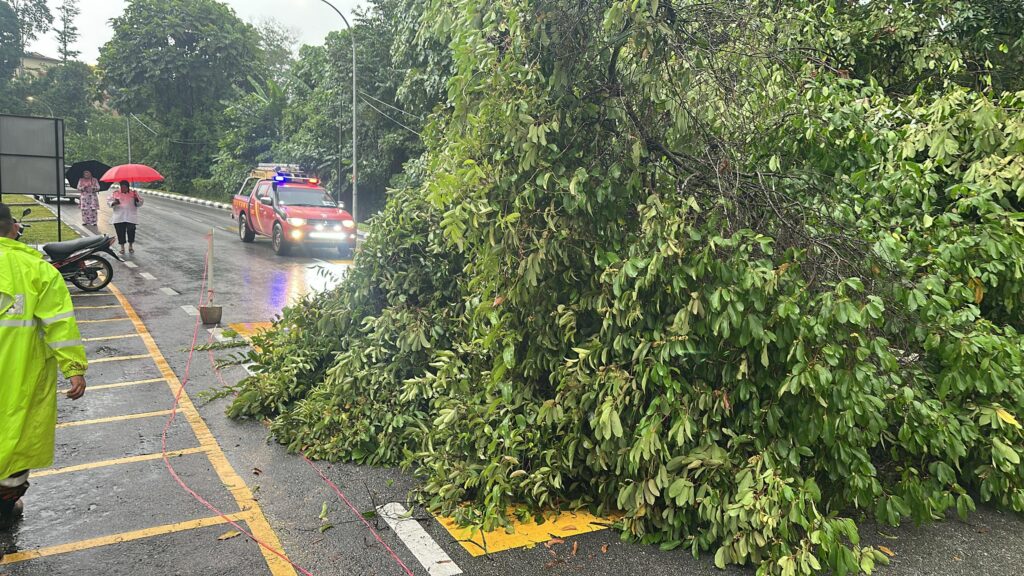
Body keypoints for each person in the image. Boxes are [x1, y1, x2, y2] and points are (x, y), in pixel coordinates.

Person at [0, 203, 88, 531]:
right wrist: (74, 368)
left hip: (19, 377)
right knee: (16, 443)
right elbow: (59, 324)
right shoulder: (37, 271)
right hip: (20, 380)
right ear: (13, 228)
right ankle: (4, 507)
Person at [108, 180, 144, 255]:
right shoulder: (115, 193)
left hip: (131, 216)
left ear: (128, 187)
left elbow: (140, 203)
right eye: (122, 187)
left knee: (131, 230)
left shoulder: (133, 193)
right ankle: (122, 247)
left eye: (125, 187)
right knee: (120, 232)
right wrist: (114, 202)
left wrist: (136, 199)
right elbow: (109, 202)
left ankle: (130, 246)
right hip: (119, 216)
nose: (123, 189)